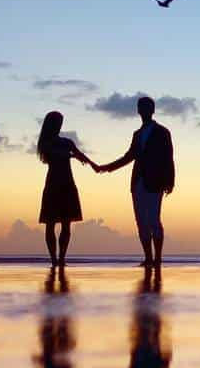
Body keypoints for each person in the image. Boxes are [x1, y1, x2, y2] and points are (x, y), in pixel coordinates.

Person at [97, 96, 174, 273]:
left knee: (154, 219)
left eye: (147, 107)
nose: (144, 110)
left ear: (152, 110)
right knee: (141, 221)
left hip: (155, 181)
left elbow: (168, 157)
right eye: (141, 107)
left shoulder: (162, 132)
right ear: (138, 110)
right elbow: (129, 156)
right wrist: (107, 168)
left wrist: (170, 181)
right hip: (138, 181)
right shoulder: (137, 134)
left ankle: (158, 259)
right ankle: (148, 258)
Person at [34, 111, 97, 269]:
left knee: (66, 224)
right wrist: (70, 156)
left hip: (68, 184)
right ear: (51, 124)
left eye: (61, 123)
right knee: (50, 224)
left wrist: (94, 165)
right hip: (53, 185)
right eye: (57, 123)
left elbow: (80, 154)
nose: (59, 126)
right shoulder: (45, 143)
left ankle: (61, 258)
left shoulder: (67, 142)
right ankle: (54, 260)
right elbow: (54, 155)